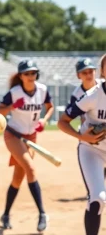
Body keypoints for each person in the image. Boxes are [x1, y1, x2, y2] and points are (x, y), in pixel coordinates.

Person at [0, 60, 54, 232]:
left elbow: (50, 107)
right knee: (31, 168)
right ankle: (43, 214)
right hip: (13, 134)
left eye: (33, 73)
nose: (31, 76)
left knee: (18, 178)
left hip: (31, 137)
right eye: (27, 73)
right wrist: (13, 106)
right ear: (20, 76)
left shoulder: (42, 90)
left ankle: (5, 214)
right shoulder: (14, 92)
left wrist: (44, 119)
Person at [58, 54, 106, 235]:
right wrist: (83, 137)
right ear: (103, 72)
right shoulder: (92, 95)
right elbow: (63, 121)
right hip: (92, 149)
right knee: (98, 199)